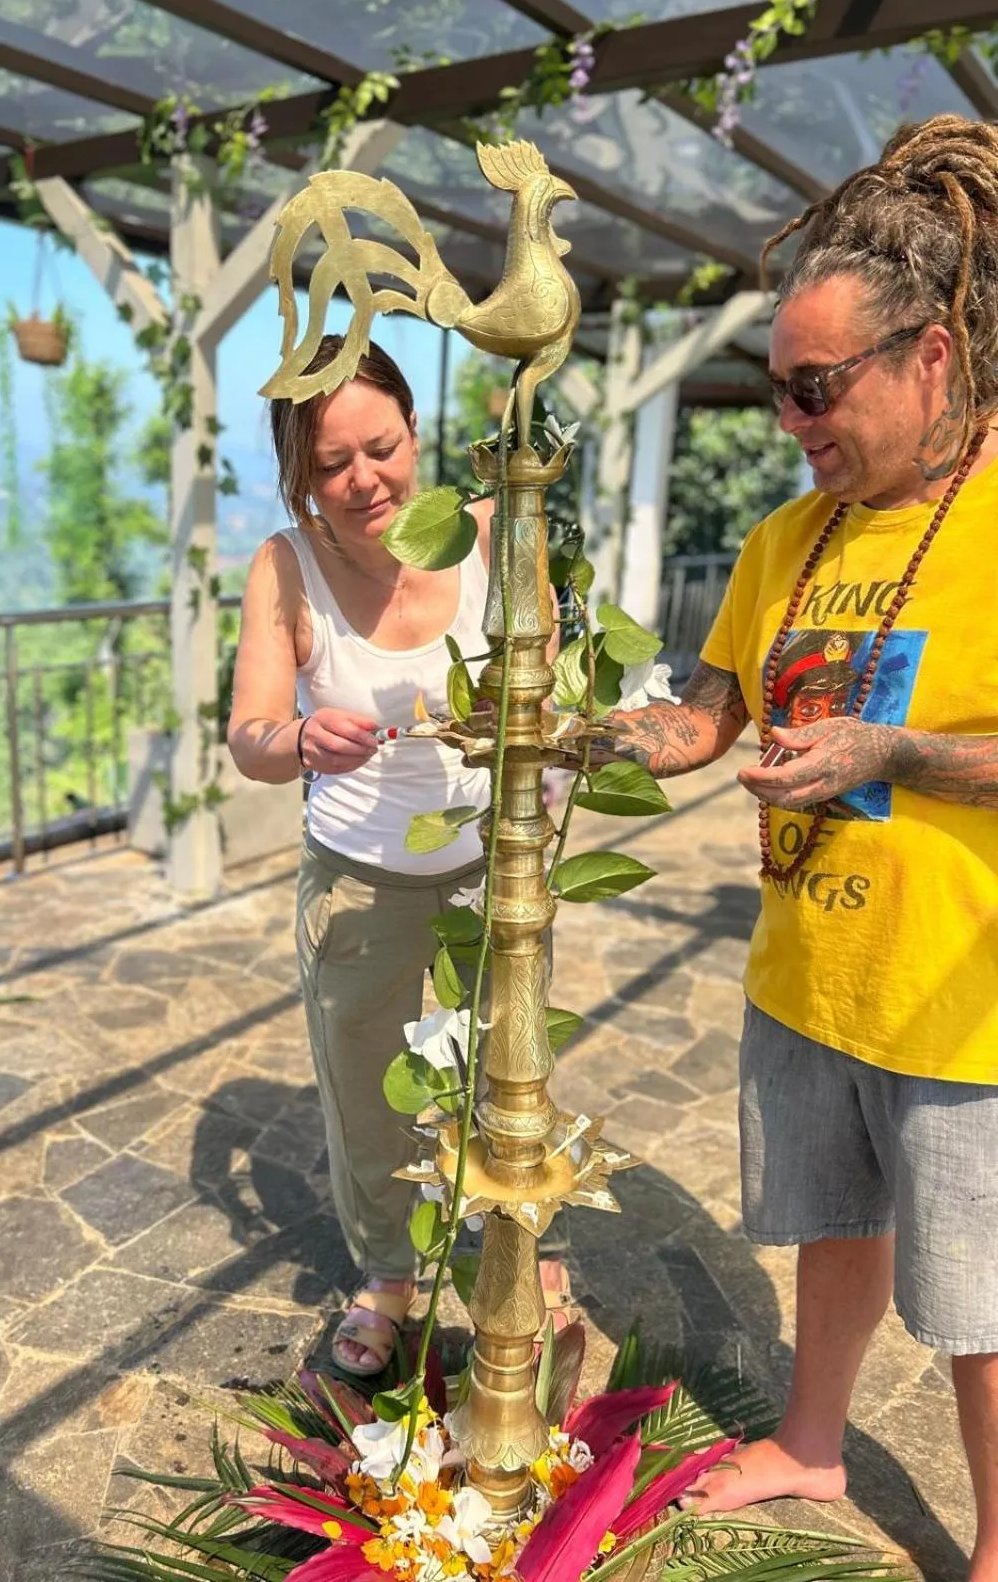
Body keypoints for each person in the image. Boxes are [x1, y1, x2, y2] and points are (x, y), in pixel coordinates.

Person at [591, 115, 998, 1578]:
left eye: (818, 387)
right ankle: (814, 1447)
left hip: (967, 1005)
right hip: (812, 971)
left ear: (932, 355)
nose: (793, 421)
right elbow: (701, 724)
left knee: (981, 1306)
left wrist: (893, 753)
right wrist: (565, 737)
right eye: (778, 392)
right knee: (835, 1231)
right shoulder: (787, 538)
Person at [228, 334, 569, 1376]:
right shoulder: (287, 566)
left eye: (380, 447)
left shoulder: (496, 534)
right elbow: (249, 738)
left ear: (418, 434)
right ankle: (387, 1271)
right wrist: (298, 741)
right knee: (368, 1087)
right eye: (331, 466)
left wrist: (554, 765)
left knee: (506, 1074)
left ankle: (522, 1250)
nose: (362, 480)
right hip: (359, 879)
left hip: (486, 871)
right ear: (300, 473)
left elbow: (545, 685)